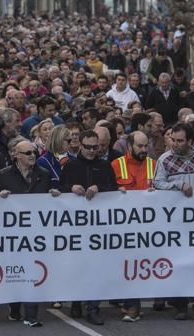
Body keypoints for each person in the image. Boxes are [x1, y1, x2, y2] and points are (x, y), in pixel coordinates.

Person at [154, 123, 194, 322]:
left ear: (191, 141)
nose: (175, 144)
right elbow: (157, 183)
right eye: (173, 139)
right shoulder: (165, 160)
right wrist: (178, 185)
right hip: (175, 223)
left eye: (180, 141)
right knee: (178, 262)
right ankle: (180, 303)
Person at [0, 140, 61, 327]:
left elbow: (49, 199)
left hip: (35, 235)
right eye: (28, 152)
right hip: (11, 236)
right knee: (14, 272)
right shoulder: (3, 175)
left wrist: (54, 195)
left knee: (32, 271)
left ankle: (31, 315)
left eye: (34, 152)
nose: (33, 155)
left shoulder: (44, 175)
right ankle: (14, 307)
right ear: (16, 155)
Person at [59, 130, 118, 325]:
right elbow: (58, 192)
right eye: (88, 147)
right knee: (78, 266)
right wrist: (71, 189)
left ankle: (93, 307)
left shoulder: (104, 166)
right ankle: (77, 300)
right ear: (80, 145)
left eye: (96, 147)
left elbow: (115, 191)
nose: (92, 151)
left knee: (95, 267)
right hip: (76, 227)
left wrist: (99, 189)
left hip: (99, 228)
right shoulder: (70, 166)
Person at [110, 131, 157, 322]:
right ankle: (132, 306)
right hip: (124, 229)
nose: (144, 150)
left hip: (148, 228)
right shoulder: (116, 165)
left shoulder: (154, 165)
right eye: (140, 146)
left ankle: (132, 305)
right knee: (127, 266)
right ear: (129, 146)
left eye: (146, 146)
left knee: (139, 267)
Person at [36, 125, 71, 189]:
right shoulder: (42, 161)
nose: (71, 143)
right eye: (69, 141)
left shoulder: (73, 159)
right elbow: (42, 187)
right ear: (59, 140)